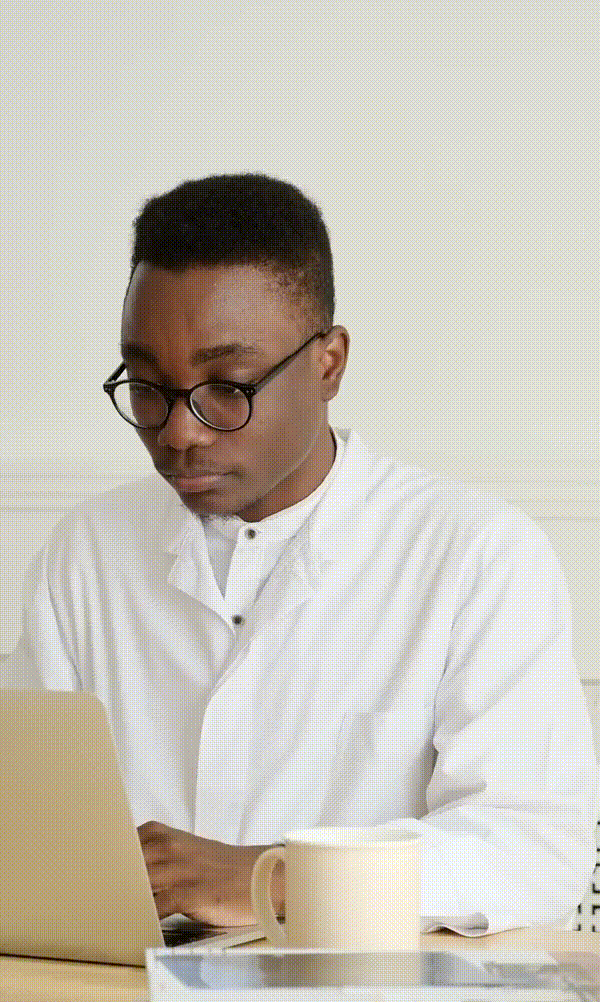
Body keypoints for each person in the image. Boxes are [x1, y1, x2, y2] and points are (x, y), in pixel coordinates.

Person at [3, 173, 597, 935]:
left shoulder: (477, 557)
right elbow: (27, 826)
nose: (178, 431)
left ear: (329, 363)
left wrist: (275, 875)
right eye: (149, 386)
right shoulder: (85, 555)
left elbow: (533, 851)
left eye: (227, 386)